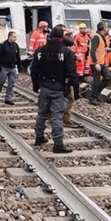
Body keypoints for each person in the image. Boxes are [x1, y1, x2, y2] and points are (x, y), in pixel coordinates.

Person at [30, 25, 79, 153]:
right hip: (58, 88)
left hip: (44, 86)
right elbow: (72, 73)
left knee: (42, 113)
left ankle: (39, 137)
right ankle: (58, 144)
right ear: (62, 37)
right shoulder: (66, 52)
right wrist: (76, 91)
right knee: (57, 116)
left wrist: (35, 85)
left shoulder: (40, 51)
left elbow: (34, 70)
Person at [0, 31, 22, 105]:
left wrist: (19, 66)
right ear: (10, 37)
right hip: (4, 67)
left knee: (11, 83)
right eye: (14, 37)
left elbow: (18, 57)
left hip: (12, 67)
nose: (16, 38)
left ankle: (8, 98)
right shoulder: (3, 45)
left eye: (16, 37)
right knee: (1, 82)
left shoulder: (16, 46)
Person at [87, 22, 111, 105]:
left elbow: (100, 49)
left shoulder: (101, 37)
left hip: (101, 62)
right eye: (106, 27)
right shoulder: (96, 37)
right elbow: (92, 50)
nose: (107, 29)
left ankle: (96, 94)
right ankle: (93, 98)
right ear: (104, 28)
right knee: (96, 81)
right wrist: (96, 62)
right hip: (95, 63)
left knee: (107, 77)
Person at [62, 27, 81, 128]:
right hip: (65, 78)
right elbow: (70, 69)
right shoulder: (66, 50)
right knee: (70, 97)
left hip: (55, 79)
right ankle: (65, 118)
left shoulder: (58, 48)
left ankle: (53, 116)